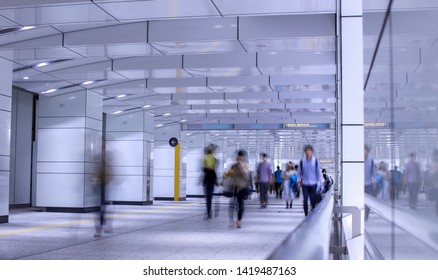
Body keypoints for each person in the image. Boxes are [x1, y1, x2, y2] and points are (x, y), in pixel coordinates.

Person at [226, 150, 250, 228]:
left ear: (243, 158)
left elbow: (246, 176)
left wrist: (241, 166)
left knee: (240, 205)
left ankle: (239, 221)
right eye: (238, 157)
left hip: (242, 187)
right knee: (232, 204)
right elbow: (228, 175)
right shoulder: (234, 166)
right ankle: (231, 221)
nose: (240, 159)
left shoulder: (246, 166)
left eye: (241, 157)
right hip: (233, 187)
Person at [297, 145, 322, 216]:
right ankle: (306, 214)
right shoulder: (302, 162)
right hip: (304, 184)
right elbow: (299, 173)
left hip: (313, 184)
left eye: (309, 151)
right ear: (305, 152)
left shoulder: (316, 162)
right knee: (305, 200)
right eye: (307, 151)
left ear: (312, 152)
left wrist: (320, 184)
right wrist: (298, 182)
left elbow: (318, 174)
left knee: (312, 200)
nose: (308, 152)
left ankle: (313, 213)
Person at [203, 144, 218, 219]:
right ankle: (209, 211)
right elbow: (211, 169)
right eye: (214, 149)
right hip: (211, 180)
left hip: (207, 180)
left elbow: (205, 169)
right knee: (209, 197)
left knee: (208, 197)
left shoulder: (206, 158)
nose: (215, 151)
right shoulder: (213, 158)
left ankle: (209, 211)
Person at [364, 145, 377, 221]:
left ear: (368, 152)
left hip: (368, 184)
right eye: (363, 150)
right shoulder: (358, 160)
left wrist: (374, 181)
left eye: (366, 151)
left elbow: (374, 173)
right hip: (359, 184)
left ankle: (366, 215)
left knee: (367, 200)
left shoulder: (371, 161)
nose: (364, 152)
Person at [426, 150, 438, 215]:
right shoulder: (433, 163)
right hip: (435, 185)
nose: (433, 157)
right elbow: (430, 172)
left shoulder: (435, 164)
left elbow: (432, 172)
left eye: (434, 155)